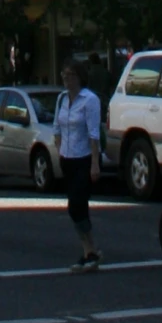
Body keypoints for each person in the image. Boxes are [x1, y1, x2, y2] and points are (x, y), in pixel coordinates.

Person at [54, 60, 102, 273]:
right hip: (68, 158)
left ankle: (90, 250)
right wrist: (60, 151)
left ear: (80, 77)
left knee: (77, 205)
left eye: (71, 75)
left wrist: (94, 163)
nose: (67, 79)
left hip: (83, 158)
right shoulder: (62, 99)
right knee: (76, 208)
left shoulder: (89, 100)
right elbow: (57, 128)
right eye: (64, 75)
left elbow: (93, 133)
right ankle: (89, 250)